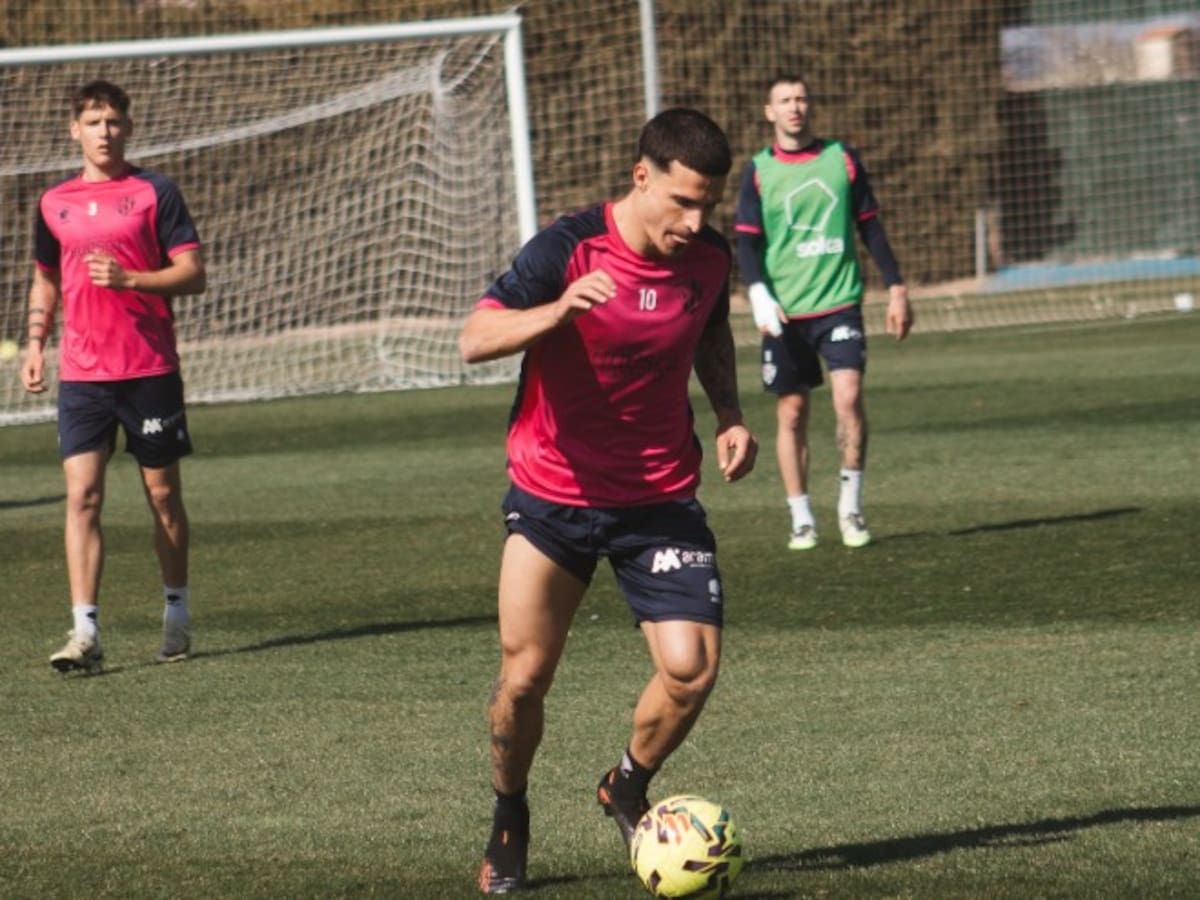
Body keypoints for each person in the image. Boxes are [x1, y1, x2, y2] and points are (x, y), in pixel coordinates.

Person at [460, 107, 757, 894]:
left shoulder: (708, 258)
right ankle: (509, 815)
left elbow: (711, 330)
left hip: (658, 497)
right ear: (641, 177)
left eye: (708, 206)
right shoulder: (567, 248)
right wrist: (555, 312)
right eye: (681, 202)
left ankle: (625, 785)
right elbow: (474, 336)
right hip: (553, 495)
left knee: (692, 670)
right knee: (524, 680)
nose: (695, 222)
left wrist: (729, 414)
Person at [20, 79, 206, 672]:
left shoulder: (156, 192)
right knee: (83, 496)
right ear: (74, 130)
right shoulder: (55, 202)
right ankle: (85, 633)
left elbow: (192, 273)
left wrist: (132, 281)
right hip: (82, 375)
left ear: (128, 127)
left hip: (149, 367)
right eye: (93, 122)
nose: (105, 132)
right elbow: (46, 278)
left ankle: (176, 613)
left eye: (114, 121)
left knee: (163, 497)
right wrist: (35, 342)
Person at [735, 73, 913, 551]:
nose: (795, 107)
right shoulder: (757, 172)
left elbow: (871, 228)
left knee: (848, 398)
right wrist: (758, 294)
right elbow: (746, 244)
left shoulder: (842, 160)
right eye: (784, 100)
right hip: (786, 313)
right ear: (769, 112)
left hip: (839, 304)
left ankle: (850, 506)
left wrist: (896, 287)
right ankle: (801, 518)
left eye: (801, 98)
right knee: (792, 413)